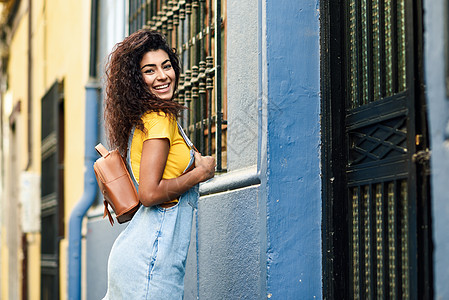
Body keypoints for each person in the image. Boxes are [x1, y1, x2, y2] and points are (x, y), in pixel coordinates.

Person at [102, 29, 215, 299]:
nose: (163, 76)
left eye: (166, 66)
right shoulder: (158, 120)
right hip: (150, 261)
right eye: (149, 70)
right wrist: (201, 173)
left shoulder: (151, 119)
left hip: (145, 256)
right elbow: (149, 194)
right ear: (137, 80)